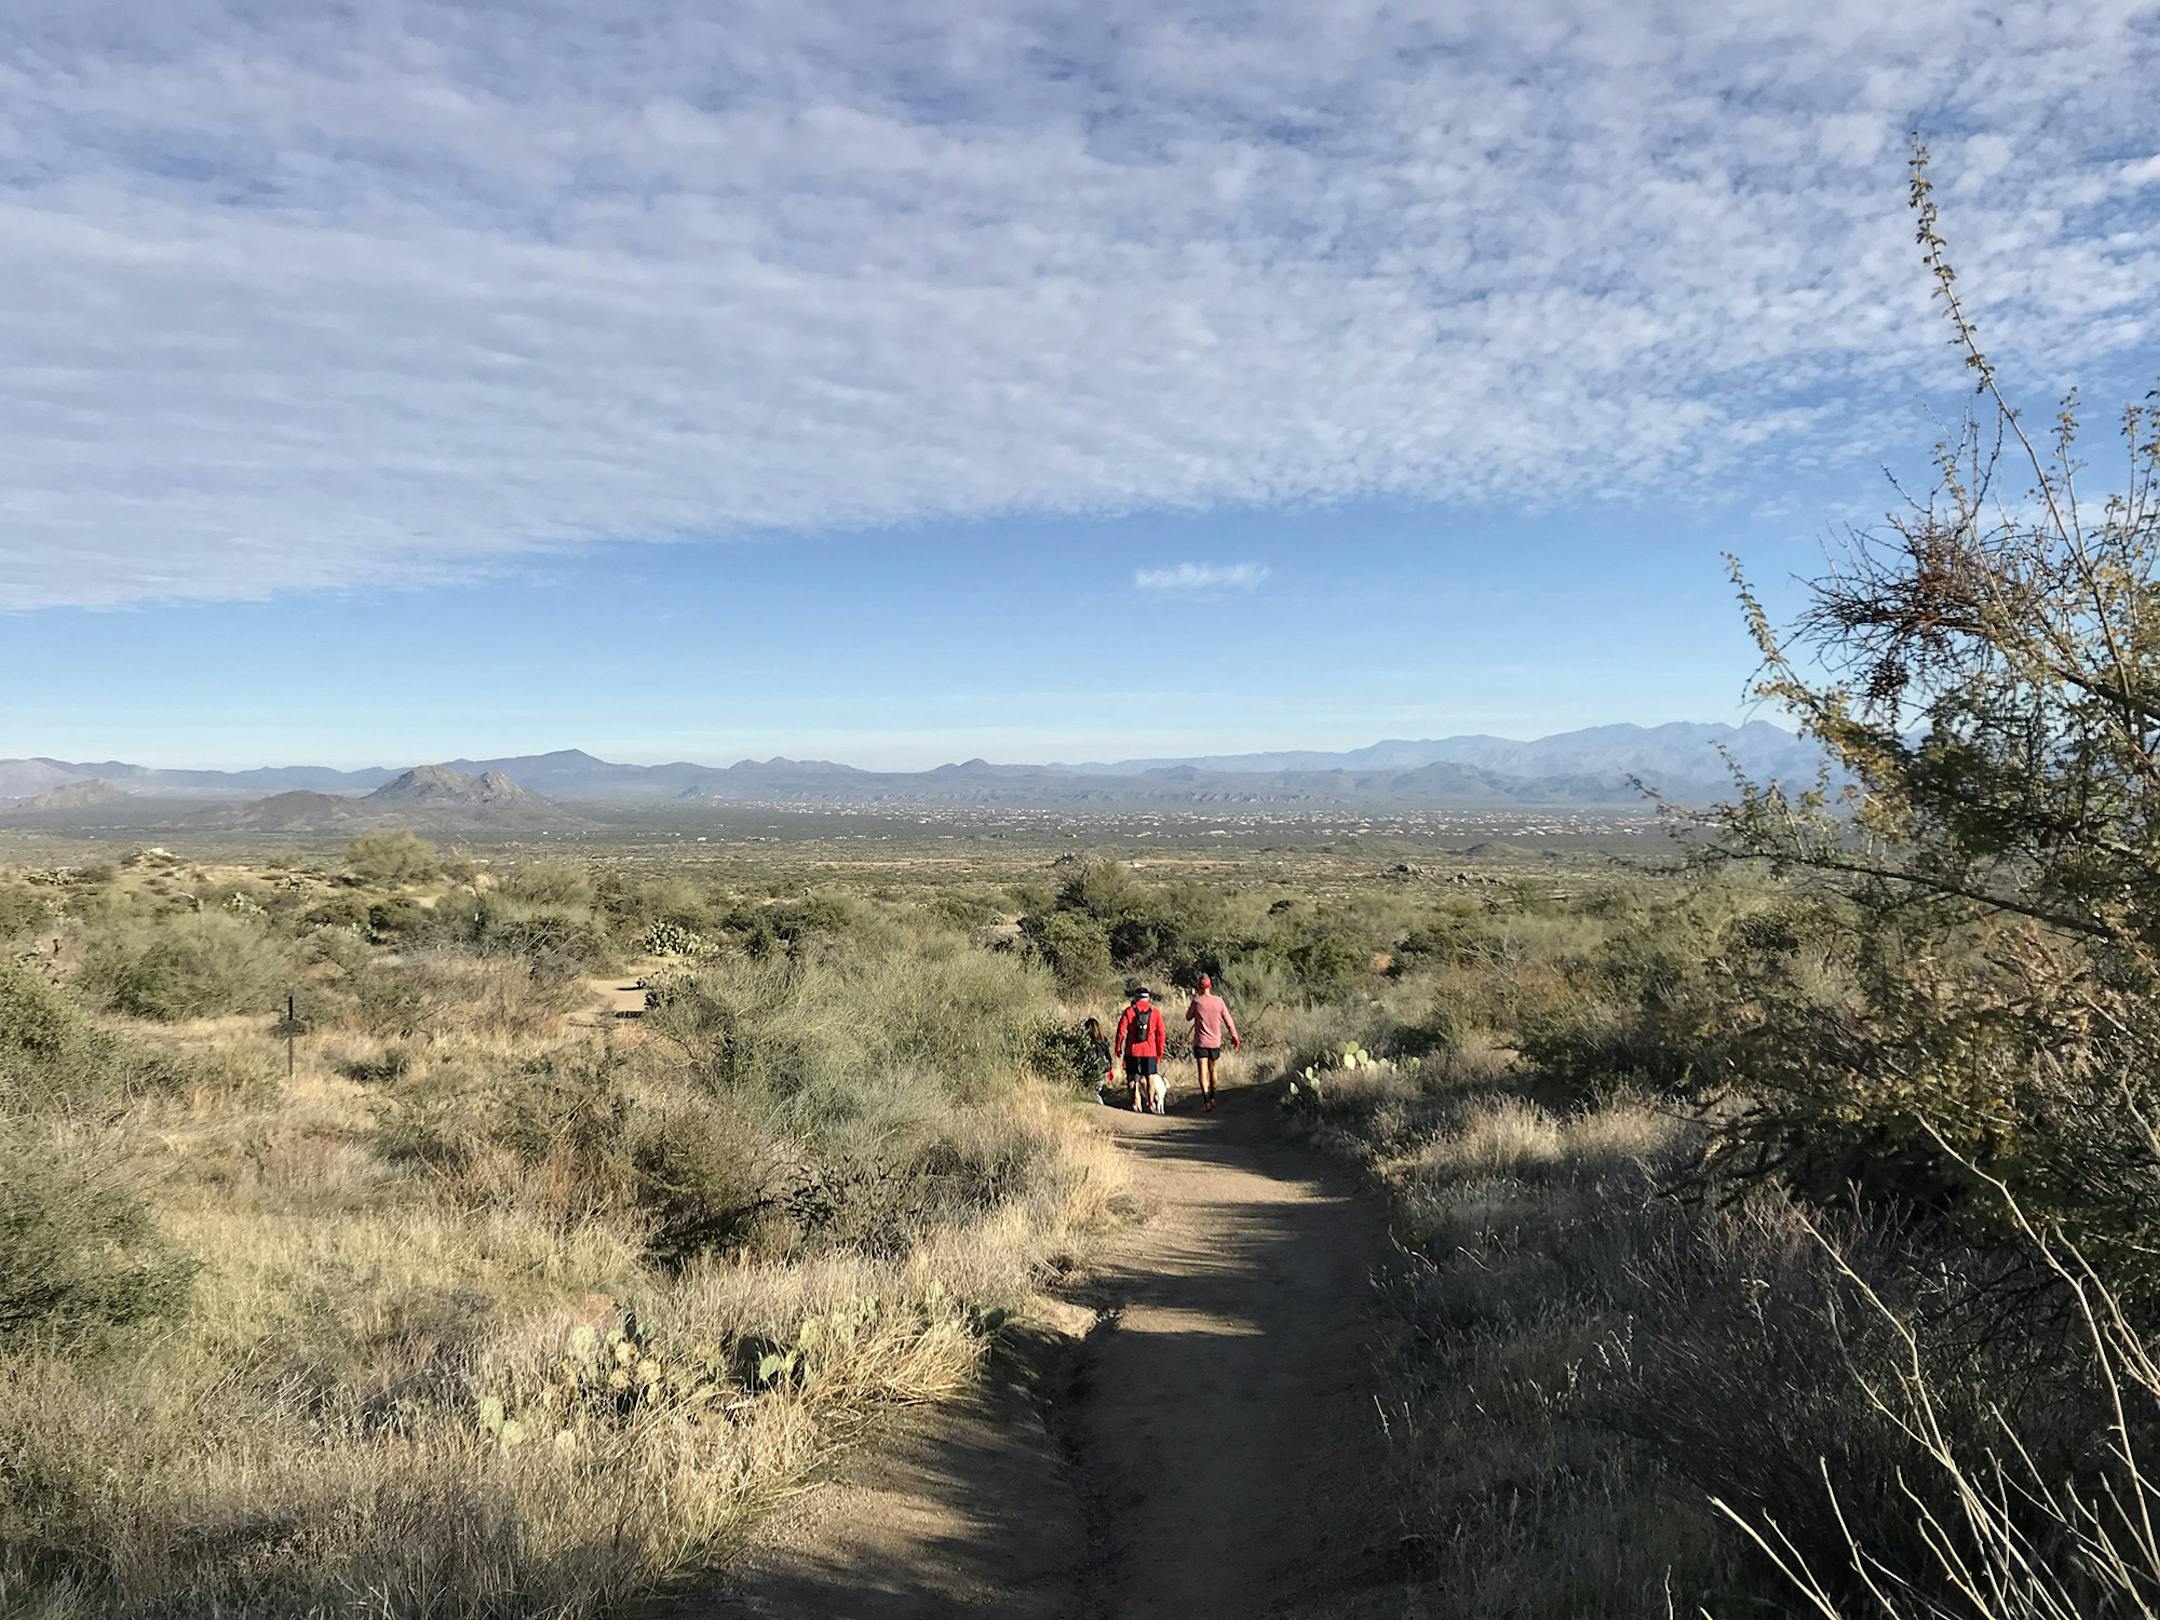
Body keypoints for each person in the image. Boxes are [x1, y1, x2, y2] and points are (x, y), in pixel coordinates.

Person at [1184, 974, 1241, 1110]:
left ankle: (1206, 1101)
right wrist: (1235, 1036)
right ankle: (1213, 1097)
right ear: (1210, 986)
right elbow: (1228, 1021)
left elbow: (1188, 1017)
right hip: (1215, 1042)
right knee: (1213, 1070)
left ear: (1199, 987)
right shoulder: (1219, 1001)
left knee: (1202, 1072)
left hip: (1201, 1043)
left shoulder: (1197, 1002)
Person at [1115, 988, 1167, 1114]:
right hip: (1150, 1051)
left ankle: (1135, 1103)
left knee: (1132, 1079)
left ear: (1136, 998)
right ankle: (1150, 1103)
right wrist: (1160, 1052)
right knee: (1150, 1078)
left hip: (1132, 1051)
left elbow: (1121, 1031)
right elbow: (1161, 1035)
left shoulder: (1128, 1011)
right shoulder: (1155, 1012)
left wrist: (1118, 1047)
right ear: (1148, 998)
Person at [1084, 1015, 1115, 1105]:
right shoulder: (1104, 1041)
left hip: (1094, 1069)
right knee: (1096, 1090)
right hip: (1103, 1069)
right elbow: (1108, 1057)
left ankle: (1100, 1105)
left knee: (1093, 1092)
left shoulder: (1089, 1043)